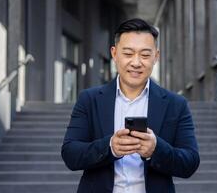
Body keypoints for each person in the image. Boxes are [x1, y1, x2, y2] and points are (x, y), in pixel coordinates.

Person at [61, 18, 200, 193]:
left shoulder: (176, 104)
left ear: (156, 56)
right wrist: (110, 146)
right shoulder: (89, 99)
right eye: (128, 53)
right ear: (114, 53)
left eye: (145, 55)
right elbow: (70, 154)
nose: (136, 62)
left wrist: (156, 149)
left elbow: (190, 162)